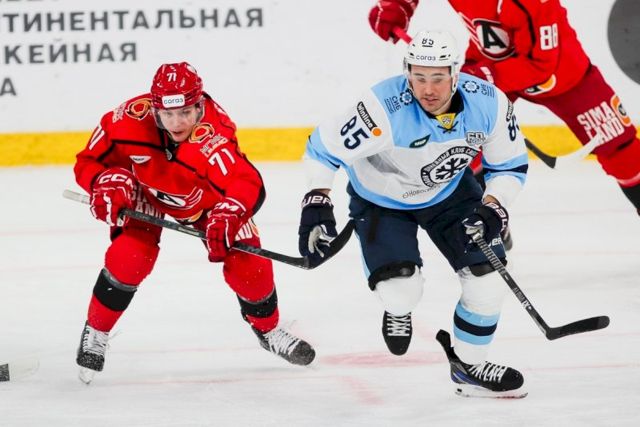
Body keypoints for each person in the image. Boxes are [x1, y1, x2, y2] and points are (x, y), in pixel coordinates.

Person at [297, 30, 528, 397]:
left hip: (450, 193)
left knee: (488, 280)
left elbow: (510, 167)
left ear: (455, 73)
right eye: (418, 77)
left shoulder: (490, 105)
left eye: (437, 78)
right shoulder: (381, 108)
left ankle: (469, 367)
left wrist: (494, 205)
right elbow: (321, 149)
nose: (428, 89)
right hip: (381, 200)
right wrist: (316, 200)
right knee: (401, 292)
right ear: (407, 72)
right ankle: (397, 309)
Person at [73, 62, 315, 384]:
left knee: (249, 268)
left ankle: (268, 330)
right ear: (154, 109)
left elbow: (246, 181)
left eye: (186, 112)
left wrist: (231, 210)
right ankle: (96, 329)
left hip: (206, 201)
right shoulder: (126, 119)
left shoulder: (215, 135)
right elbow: (88, 161)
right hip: (147, 191)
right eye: (168, 114)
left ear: (199, 105)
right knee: (130, 257)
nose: (177, 123)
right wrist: (103, 180)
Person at [368, 0, 640, 223]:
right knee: (459, 143)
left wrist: (483, 75)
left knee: (622, 150)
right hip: (489, 60)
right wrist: (398, 6)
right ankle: (484, 220)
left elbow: (541, 65)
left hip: (563, 75)